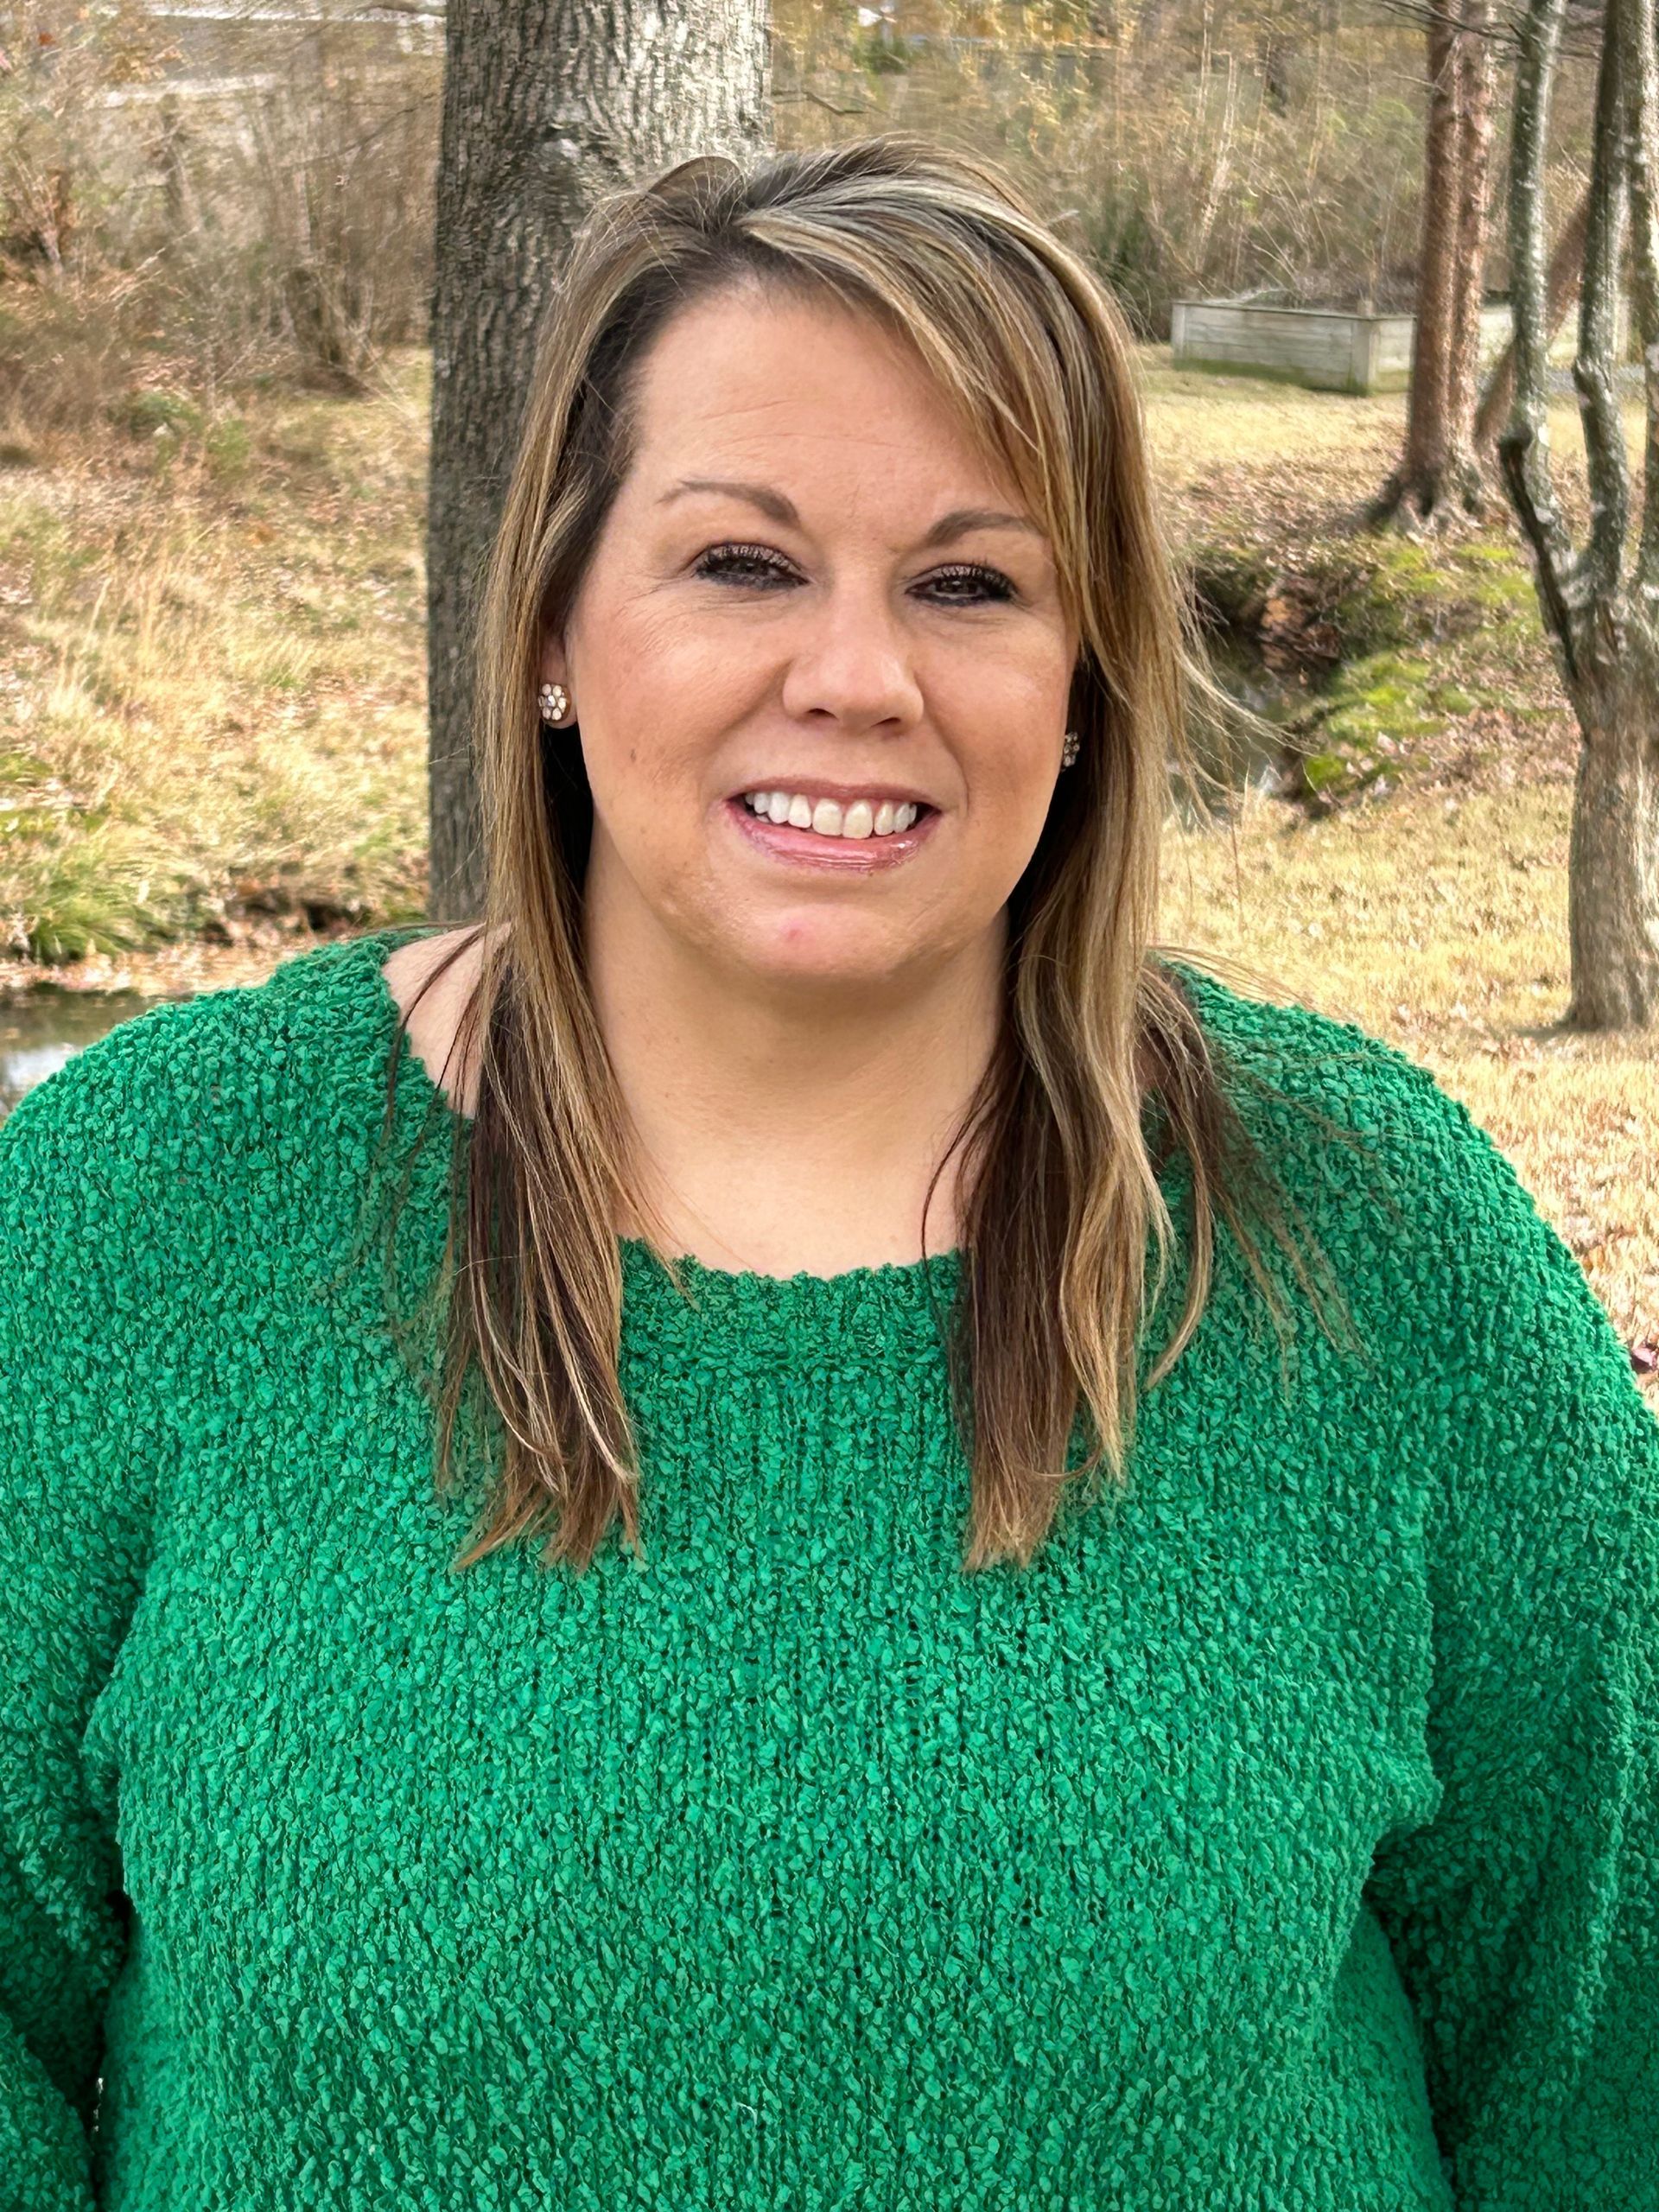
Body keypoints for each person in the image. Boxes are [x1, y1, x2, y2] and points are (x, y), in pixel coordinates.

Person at [1, 134, 1654, 2212]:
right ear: (548, 626)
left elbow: (1611, 2060)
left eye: (972, 582)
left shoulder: (1371, 1245)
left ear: (1087, 683)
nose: (857, 677)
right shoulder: (139, 1208)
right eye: (741, 563)